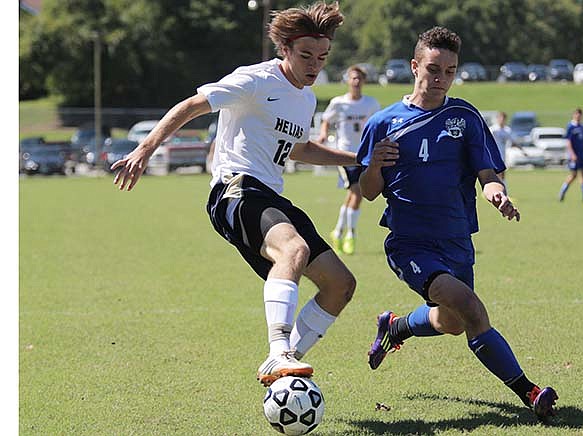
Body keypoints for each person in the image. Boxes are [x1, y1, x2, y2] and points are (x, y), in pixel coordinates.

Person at [111, 1, 357, 387]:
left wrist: (356, 157)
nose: (314, 65)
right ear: (286, 49)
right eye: (306, 55)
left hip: (270, 195)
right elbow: (192, 105)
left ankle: (282, 362)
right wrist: (145, 149)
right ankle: (279, 351)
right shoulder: (255, 80)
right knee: (294, 250)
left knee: (340, 285)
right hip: (234, 189)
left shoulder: (307, 98)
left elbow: (300, 149)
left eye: (322, 57)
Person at [357, 26, 558, 419]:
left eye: (449, 71)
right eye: (433, 69)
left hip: (456, 240)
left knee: (450, 321)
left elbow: (487, 173)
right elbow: (367, 190)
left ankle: (395, 327)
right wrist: (376, 164)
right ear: (415, 67)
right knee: (469, 307)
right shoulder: (383, 123)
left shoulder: (464, 116)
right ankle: (531, 393)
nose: (440, 79)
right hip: (410, 244)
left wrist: (497, 193)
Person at [317, 65, 381, 255]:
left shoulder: (371, 103)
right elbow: (326, 120)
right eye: (353, 78)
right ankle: (351, 235)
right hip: (343, 154)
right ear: (347, 81)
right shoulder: (338, 103)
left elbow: (377, 125)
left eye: (359, 78)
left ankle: (338, 231)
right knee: (357, 191)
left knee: (354, 196)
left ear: (364, 81)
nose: (356, 82)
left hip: (364, 155)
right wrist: (322, 134)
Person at [558, 108, 583, 202]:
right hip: (574, 155)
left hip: (582, 154)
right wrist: (572, 154)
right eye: (577, 114)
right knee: (574, 175)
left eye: (580, 115)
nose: (579, 116)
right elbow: (568, 142)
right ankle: (562, 192)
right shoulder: (570, 127)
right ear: (574, 115)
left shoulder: (582, 127)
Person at [489, 111, 512, 187]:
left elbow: (512, 141)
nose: (502, 120)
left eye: (503, 118)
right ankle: (496, 190)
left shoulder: (507, 130)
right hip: (494, 154)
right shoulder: (493, 129)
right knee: (496, 173)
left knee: (502, 173)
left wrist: (522, 150)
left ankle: (503, 191)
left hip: (503, 154)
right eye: (500, 118)